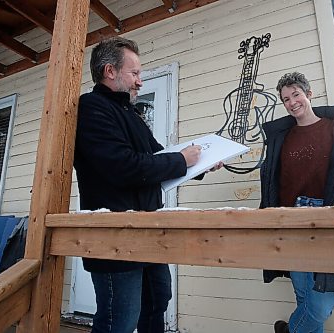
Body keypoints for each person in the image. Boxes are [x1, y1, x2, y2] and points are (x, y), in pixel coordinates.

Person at [74, 37, 218, 333]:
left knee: (157, 302)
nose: (140, 81)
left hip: (149, 233)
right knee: (119, 321)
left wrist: (202, 163)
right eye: (135, 73)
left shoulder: (132, 115)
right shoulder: (92, 108)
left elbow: (160, 159)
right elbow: (122, 167)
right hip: (115, 239)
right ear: (110, 71)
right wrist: (182, 161)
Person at [259, 72, 334, 333]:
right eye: (286, 99)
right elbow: (272, 179)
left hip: (327, 216)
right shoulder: (282, 137)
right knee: (304, 296)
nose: (292, 102)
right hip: (292, 219)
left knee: (320, 306)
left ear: (309, 94)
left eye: (296, 94)